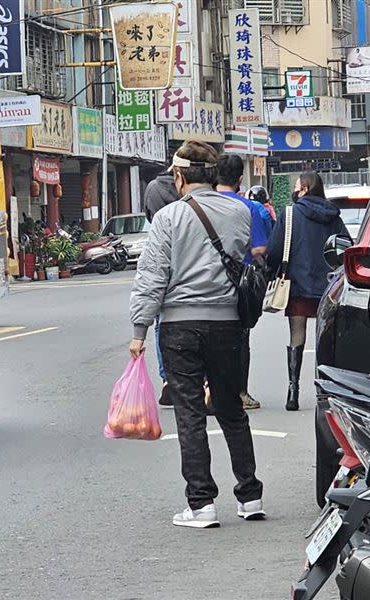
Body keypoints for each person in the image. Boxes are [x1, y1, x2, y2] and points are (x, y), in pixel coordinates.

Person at [129, 141, 265, 528]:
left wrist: (139, 330)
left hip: (180, 326)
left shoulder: (169, 218)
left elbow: (152, 278)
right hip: (228, 323)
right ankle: (250, 495)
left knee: (190, 414)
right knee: (231, 409)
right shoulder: (240, 211)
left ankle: (201, 504)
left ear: (179, 176)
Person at [266, 171, 349, 411]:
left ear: (304, 189)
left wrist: (273, 270)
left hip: (298, 283)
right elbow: (345, 246)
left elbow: (274, 250)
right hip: (330, 285)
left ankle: (293, 391)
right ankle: (326, 391)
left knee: (296, 335)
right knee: (327, 338)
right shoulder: (334, 216)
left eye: (297, 186)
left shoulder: (290, 214)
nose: (294, 189)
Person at [214, 155, 269, 411]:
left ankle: (209, 390)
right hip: (237, 281)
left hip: (201, 281)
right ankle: (240, 393)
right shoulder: (251, 208)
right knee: (239, 338)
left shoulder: (196, 205)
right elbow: (258, 248)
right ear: (239, 179)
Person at [143, 160, 182, 406]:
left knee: (160, 323)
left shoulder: (152, 189)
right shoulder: (187, 191)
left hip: (160, 256)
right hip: (188, 257)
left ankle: (167, 377)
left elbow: (149, 216)